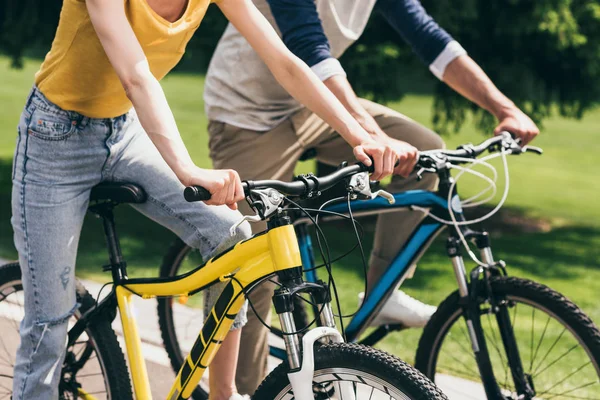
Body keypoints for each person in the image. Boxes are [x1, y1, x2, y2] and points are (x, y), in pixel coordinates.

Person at [9, 0, 408, 399]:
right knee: (49, 323)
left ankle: (223, 392)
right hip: (54, 139)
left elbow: (284, 62)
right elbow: (136, 75)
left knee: (230, 234)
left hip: (125, 130)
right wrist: (187, 169)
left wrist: (359, 135)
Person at [203, 0, 540, 395]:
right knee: (256, 264)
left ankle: (381, 295)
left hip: (314, 105)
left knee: (424, 153)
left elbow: (429, 38)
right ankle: (245, 389)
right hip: (248, 116)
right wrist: (370, 135)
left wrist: (505, 108)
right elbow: (308, 45)